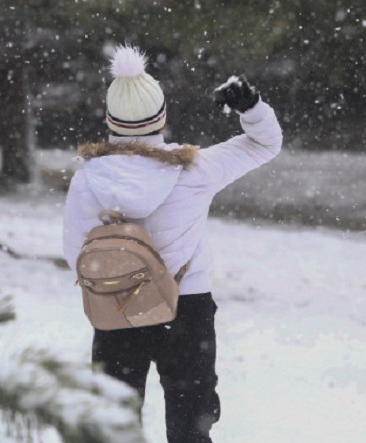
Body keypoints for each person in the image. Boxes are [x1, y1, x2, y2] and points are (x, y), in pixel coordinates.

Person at [62, 45, 282, 443]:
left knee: (113, 426)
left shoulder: (88, 179)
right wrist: (252, 108)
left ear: (111, 120)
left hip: (115, 307)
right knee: (189, 425)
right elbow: (265, 144)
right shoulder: (197, 168)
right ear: (161, 117)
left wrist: (123, 272)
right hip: (186, 308)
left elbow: (75, 253)